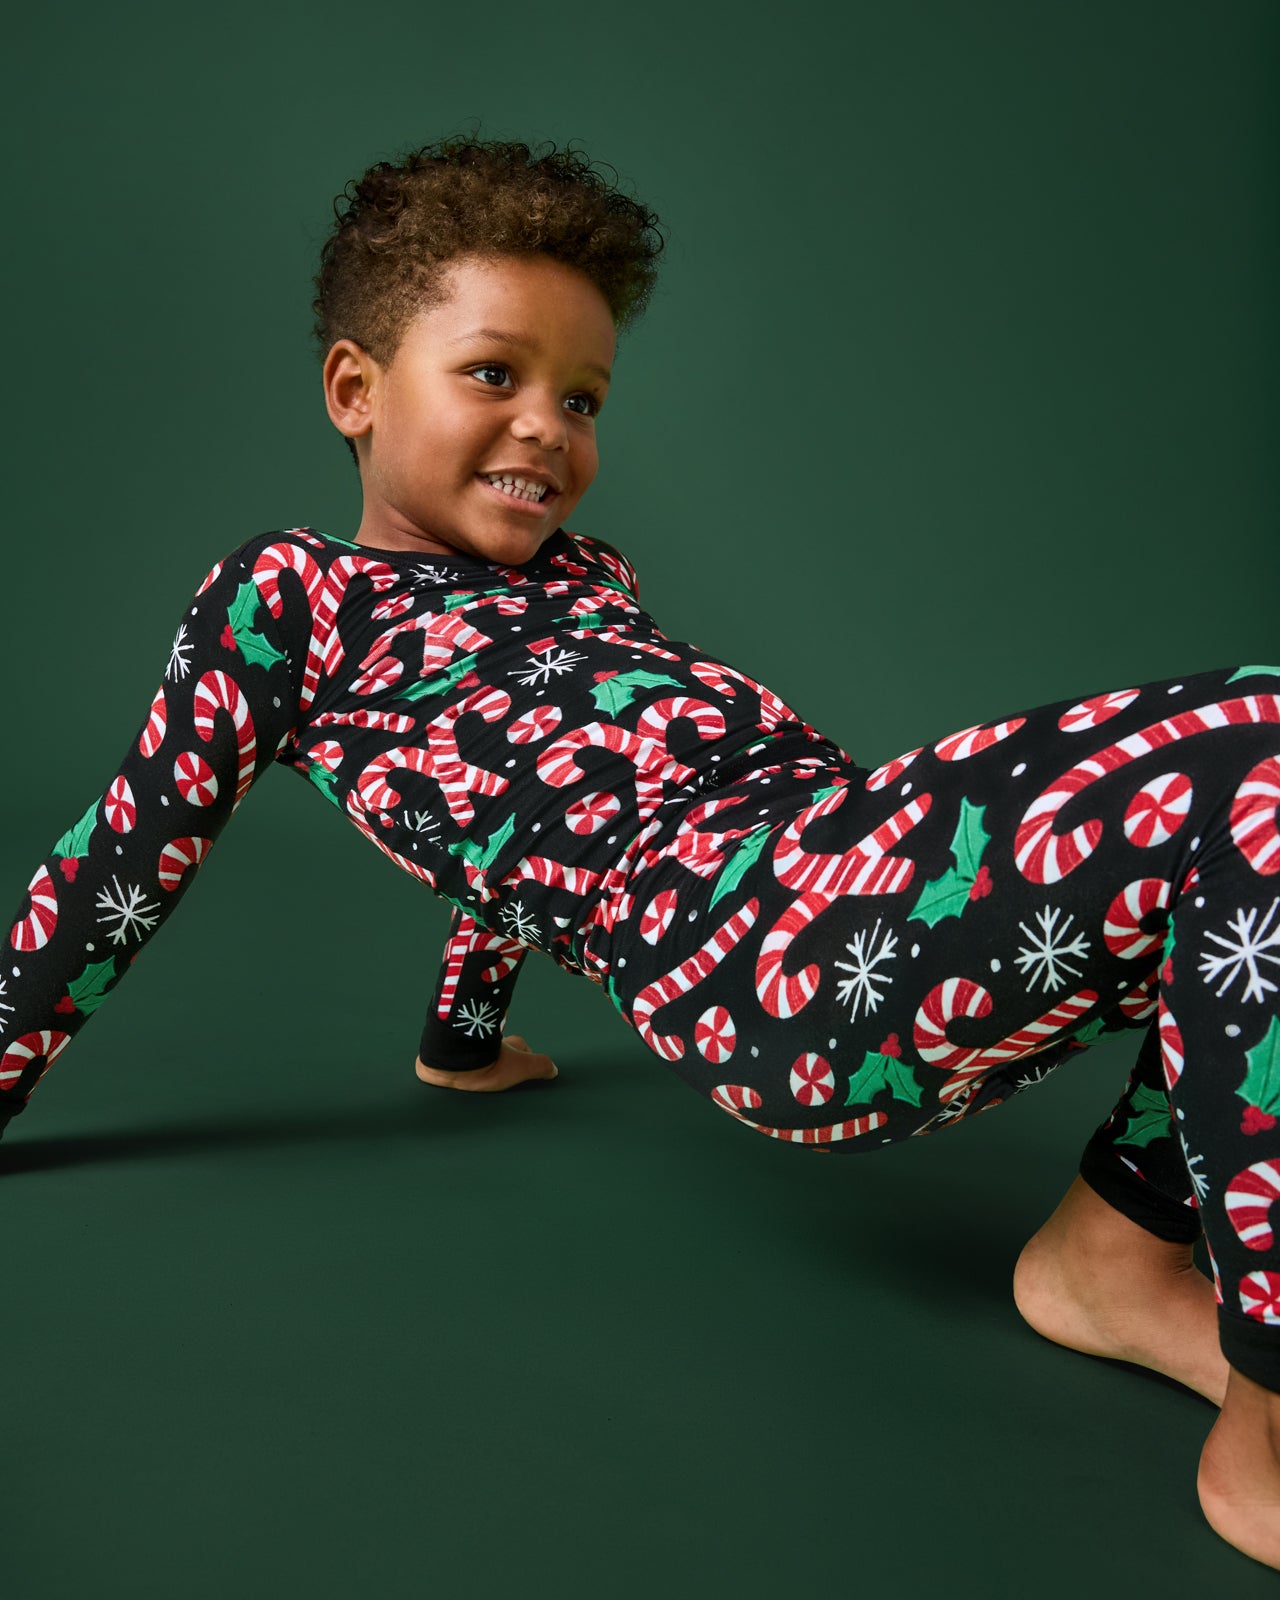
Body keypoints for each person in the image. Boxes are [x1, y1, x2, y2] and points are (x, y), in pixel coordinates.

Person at [1, 135, 1277, 1568]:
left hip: (853, 858)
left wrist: (466, 1038)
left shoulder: (585, 582)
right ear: (356, 392)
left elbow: (509, 822)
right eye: (495, 374)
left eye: (583, 397)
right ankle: (1268, 1428)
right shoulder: (289, 600)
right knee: (1263, 757)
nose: (549, 426)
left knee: (1256, 827)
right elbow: (118, 862)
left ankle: (1116, 1249)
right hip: (771, 958)